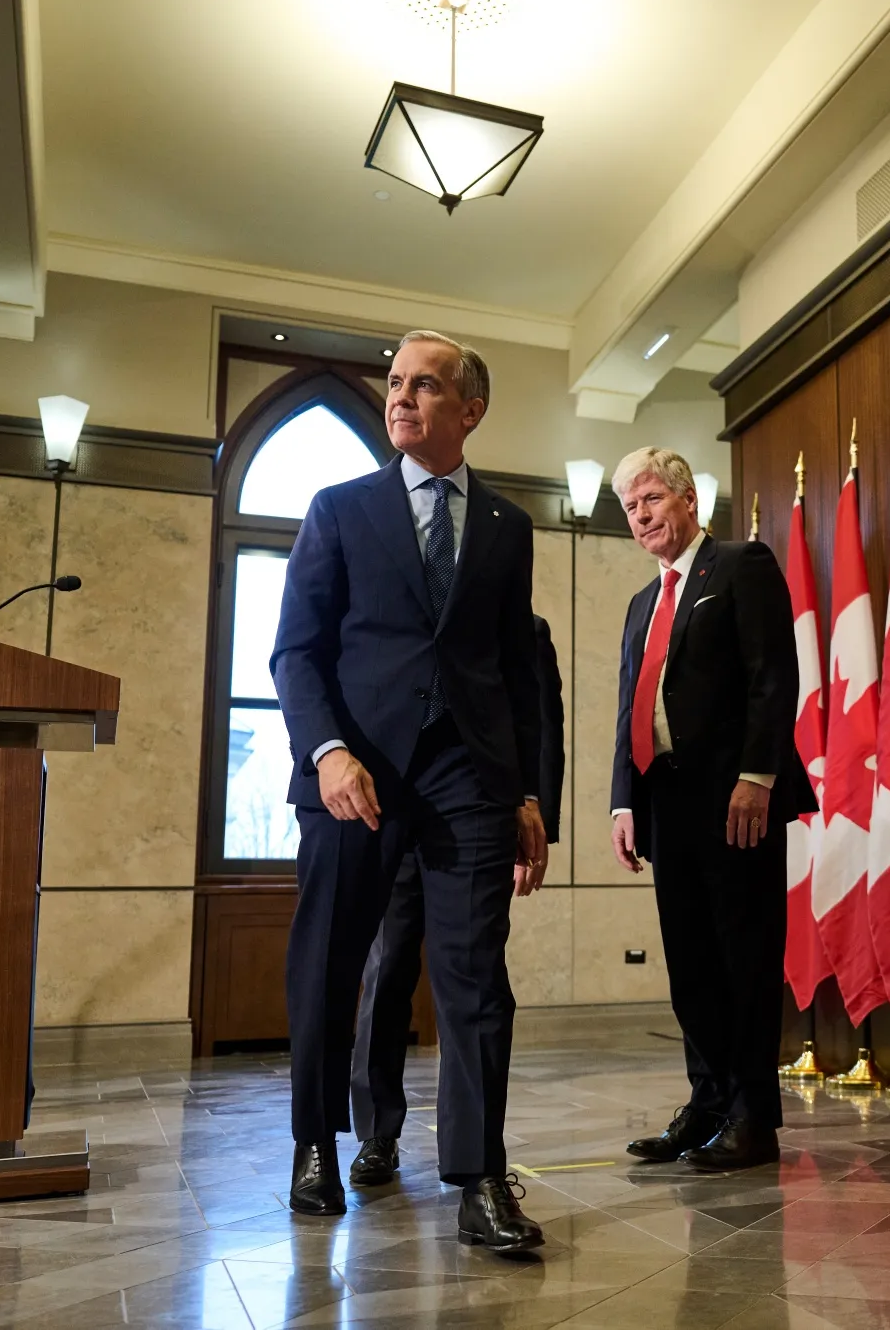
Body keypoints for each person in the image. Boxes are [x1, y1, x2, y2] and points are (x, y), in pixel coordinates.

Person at [271, 329, 547, 1254]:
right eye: (395, 384)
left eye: (424, 386)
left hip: (468, 777)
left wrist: (527, 794)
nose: (402, 398)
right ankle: (318, 1142)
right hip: (357, 778)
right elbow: (296, 652)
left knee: (475, 978)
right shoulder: (339, 509)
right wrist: (326, 753)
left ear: (468, 410)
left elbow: (517, 670)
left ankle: (477, 1179)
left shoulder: (508, 528)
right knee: (332, 963)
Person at [609, 447, 812, 1171]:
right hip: (666, 803)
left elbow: (771, 675)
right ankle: (708, 1102)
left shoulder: (740, 565)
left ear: (689, 499)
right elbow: (630, 708)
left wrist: (758, 775)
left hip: (735, 801)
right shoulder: (642, 603)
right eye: (630, 508)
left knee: (744, 958)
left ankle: (754, 1116)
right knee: (691, 965)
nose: (641, 517)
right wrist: (622, 803)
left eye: (652, 499)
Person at [349, 616, 565, 1188]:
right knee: (388, 963)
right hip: (390, 808)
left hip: (476, 814)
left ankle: (475, 1167)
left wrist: (535, 815)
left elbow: (540, 722)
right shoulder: (388, 617)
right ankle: (377, 1133)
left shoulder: (525, 626)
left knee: (475, 976)